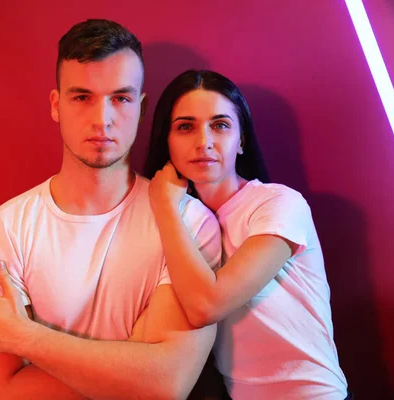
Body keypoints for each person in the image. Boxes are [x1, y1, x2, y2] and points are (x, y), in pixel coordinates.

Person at [0, 20, 222, 399]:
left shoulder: (189, 224)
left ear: (142, 107)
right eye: (82, 97)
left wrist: (23, 336)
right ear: (56, 105)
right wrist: (132, 369)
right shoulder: (3, 230)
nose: (102, 119)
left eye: (121, 98)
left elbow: (166, 384)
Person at [144, 69, 350, 399]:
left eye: (220, 125)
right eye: (185, 127)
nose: (203, 142)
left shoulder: (278, 203)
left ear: (241, 140)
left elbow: (206, 307)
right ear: (166, 140)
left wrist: (164, 206)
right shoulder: (182, 224)